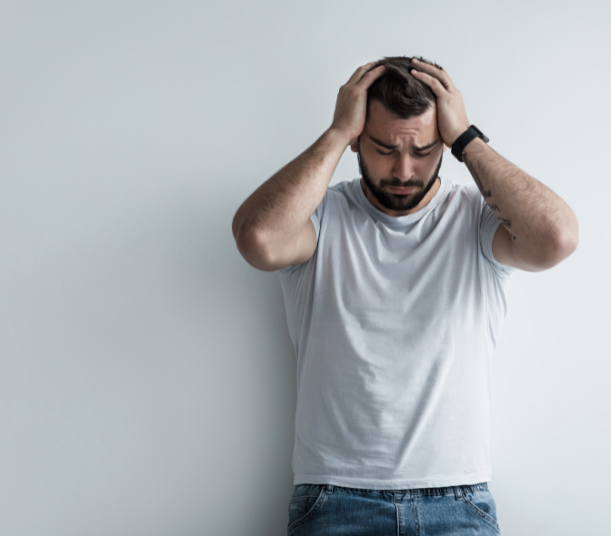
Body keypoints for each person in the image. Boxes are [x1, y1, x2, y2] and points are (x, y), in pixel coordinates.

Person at [231, 56, 578, 535]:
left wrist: (467, 140)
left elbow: (556, 238)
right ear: (357, 138)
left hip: (457, 501)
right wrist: (335, 133)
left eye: (424, 149)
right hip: (335, 499)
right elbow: (258, 239)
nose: (403, 169)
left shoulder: (475, 219)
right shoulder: (321, 218)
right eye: (383, 148)